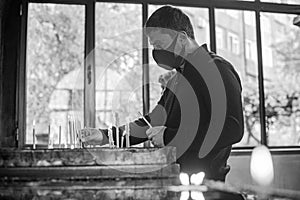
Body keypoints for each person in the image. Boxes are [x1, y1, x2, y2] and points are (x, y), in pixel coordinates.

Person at [81, 5, 244, 181]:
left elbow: (232, 127)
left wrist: (169, 136)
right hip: (176, 179)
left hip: (206, 185)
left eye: (160, 45)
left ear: (181, 38)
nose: (156, 52)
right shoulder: (176, 78)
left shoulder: (216, 69)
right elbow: (151, 122)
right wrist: (105, 136)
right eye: (154, 46)